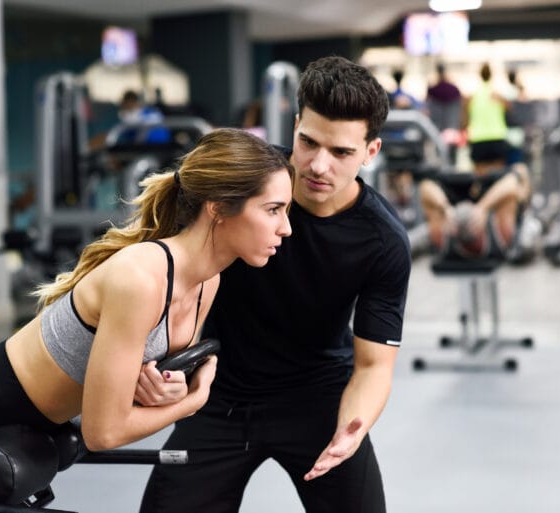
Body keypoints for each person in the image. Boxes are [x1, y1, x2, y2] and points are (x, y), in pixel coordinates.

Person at [0, 128, 294, 513]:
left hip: (23, 417)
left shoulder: (208, 281)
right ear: (219, 207)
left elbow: (135, 383)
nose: (287, 228)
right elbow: (103, 432)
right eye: (273, 210)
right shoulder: (142, 279)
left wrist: (167, 389)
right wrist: (191, 402)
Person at [140, 56, 411, 513]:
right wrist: (150, 360)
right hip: (218, 392)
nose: (318, 165)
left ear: (371, 151)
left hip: (319, 398)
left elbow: (373, 366)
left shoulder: (383, 241)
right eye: (308, 142)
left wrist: (353, 426)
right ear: (296, 124)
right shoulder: (238, 190)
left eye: (341, 152)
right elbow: (164, 279)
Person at [418, 162, 531, 260]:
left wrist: (446, 208)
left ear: (452, 229)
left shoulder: (441, 239)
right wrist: (482, 207)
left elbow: (425, 187)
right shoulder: (502, 235)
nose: (469, 203)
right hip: (491, 196)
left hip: (459, 198)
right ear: (480, 226)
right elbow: (512, 183)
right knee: (521, 170)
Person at [462, 63, 512, 175]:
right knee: (498, 177)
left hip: (478, 138)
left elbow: (464, 118)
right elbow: (510, 109)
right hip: (497, 137)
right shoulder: (497, 95)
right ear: (491, 75)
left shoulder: (472, 96)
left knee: (479, 177)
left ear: (480, 75)